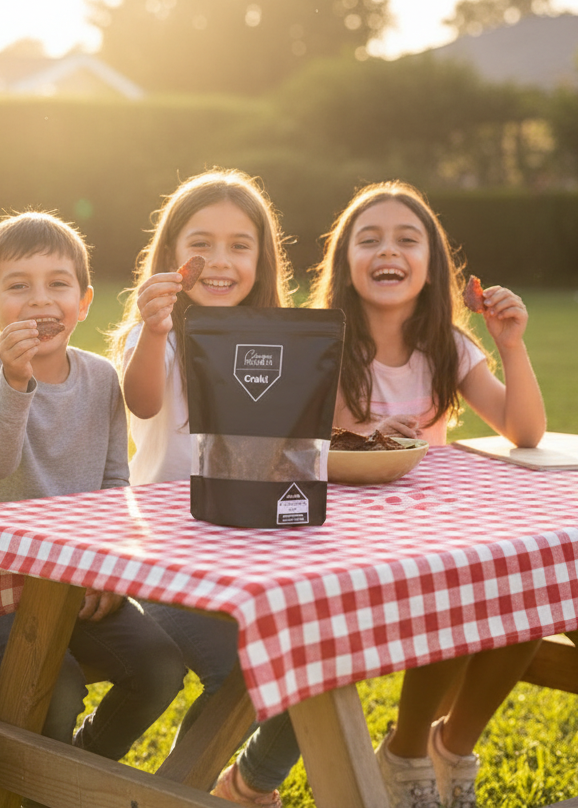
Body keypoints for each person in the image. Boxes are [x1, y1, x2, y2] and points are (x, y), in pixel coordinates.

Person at [308, 180, 546, 808]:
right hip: (349, 535)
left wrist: (511, 345)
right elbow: (294, 445)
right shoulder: (321, 346)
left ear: (432, 266)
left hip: (435, 528)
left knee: (529, 593)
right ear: (345, 262)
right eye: (371, 239)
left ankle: (451, 745)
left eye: (407, 239)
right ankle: (408, 749)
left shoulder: (449, 347)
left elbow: (524, 430)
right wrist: (364, 435)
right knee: (462, 596)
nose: (389, 250)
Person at [0, 211, 188, 779]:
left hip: (79, 583)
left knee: (160, 666)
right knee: (54, 685)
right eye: (18, 286)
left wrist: (108, 573)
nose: (40, 301)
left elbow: (114, 485)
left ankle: (72, 774)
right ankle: (43, 788)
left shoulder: (102, 377)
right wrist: (16, 380)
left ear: (83, 302)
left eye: (57, 284)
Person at [107, 168, 299, 808]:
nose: (220, 261)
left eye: (239, 245)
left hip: (253, 549)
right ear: (171, 258)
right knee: (242, 678)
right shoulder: (153, 334)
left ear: (261, 259)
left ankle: (242, 788)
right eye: (202, 243)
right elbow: (139, 403)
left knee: (317, 665)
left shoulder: (279, 338)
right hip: (166, 554)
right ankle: (167, 797)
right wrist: (157, 328)